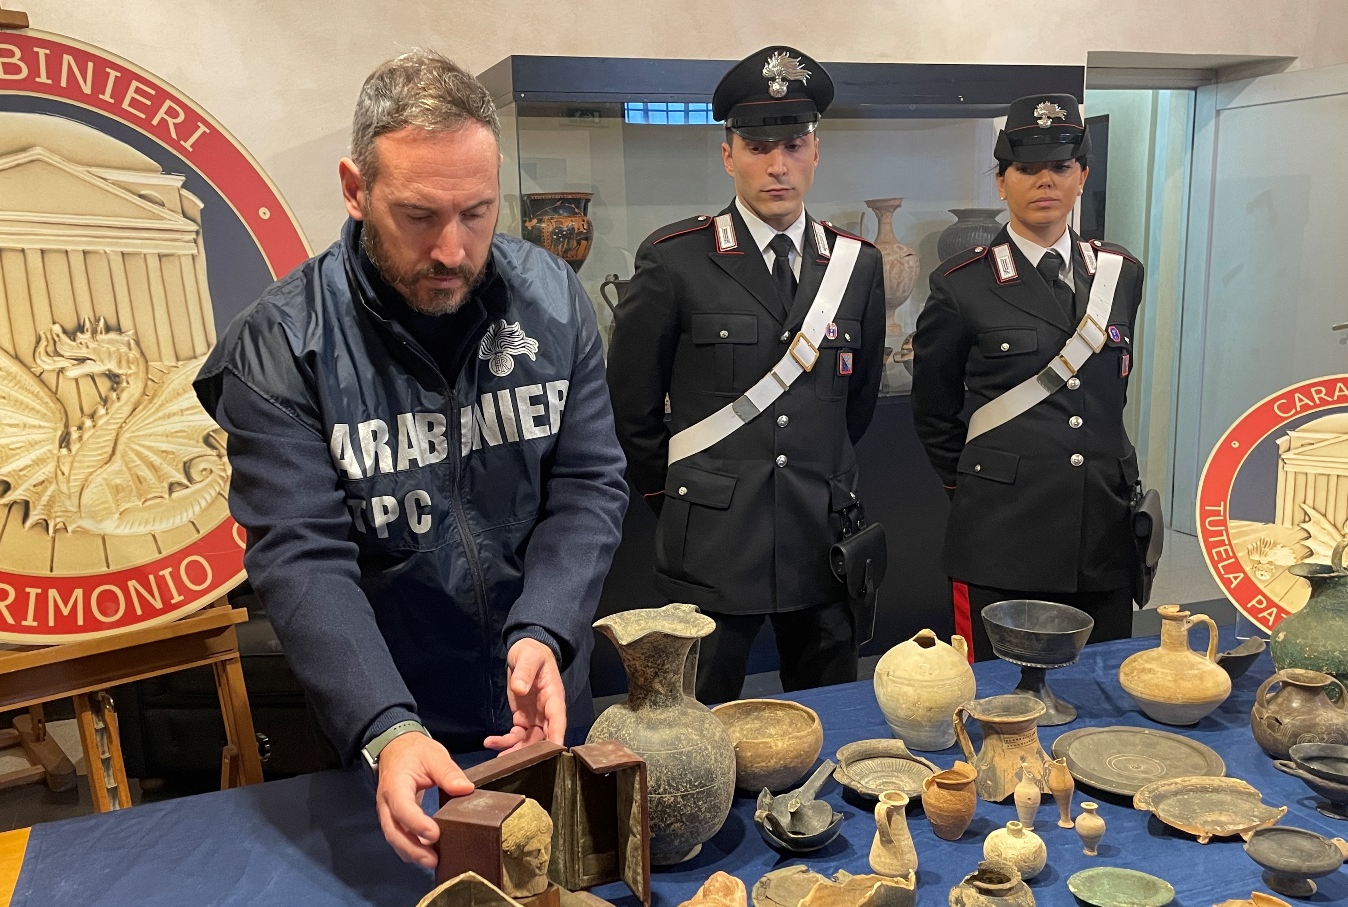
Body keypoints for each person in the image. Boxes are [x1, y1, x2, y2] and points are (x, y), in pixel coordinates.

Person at [193, 50, 629, 868]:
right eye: (420, 216)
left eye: (477, 212)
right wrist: (384, 726)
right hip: (389, 716)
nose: (453, 250)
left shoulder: (552, 298)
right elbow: (300, 553)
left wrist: (547, 628)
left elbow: (588, 482)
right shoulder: (281, 345)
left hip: (541, 690)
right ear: (355, 189)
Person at [607, 46, 886, 703]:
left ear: (815, 152)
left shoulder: (857, 265)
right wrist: (681, 497)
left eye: (792, 145)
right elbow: (631, 408)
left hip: (820, 537)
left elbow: (857, 401)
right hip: (711, 543)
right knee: (696, 722)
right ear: (728, 155)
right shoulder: (675, 260)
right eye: (758, 148)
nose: (777, 165)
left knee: (826, 713)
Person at [910, 93, 1145, 661]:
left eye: (1060, 166)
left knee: (1099, 683)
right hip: (1002, 530)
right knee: (997, 692)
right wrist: (981, 484)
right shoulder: (962, 284)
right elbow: (934, 411)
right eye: (1026, 167)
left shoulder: (1120, 273)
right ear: (1001, 181)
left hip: (1102, 529)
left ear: (1082, 175)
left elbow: (1108, 396)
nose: (1045, 181)